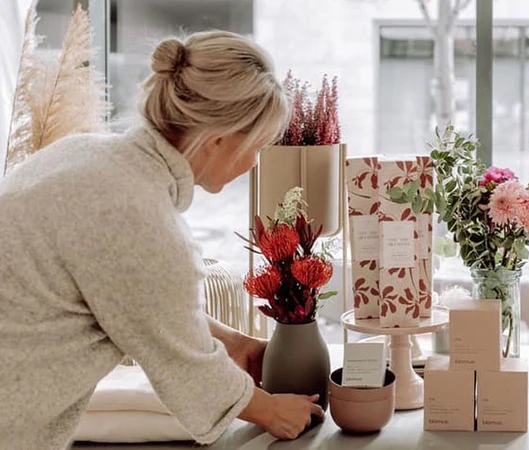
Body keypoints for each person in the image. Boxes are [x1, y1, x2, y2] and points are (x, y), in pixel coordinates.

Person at [0, 31, 324, 449]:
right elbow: (186, 370)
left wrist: (234, 343)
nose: (254, 163)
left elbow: (133, 298)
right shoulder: (144, 219)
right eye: (256, 146)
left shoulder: (83, 154)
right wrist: (274, 412)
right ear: (220, 137)